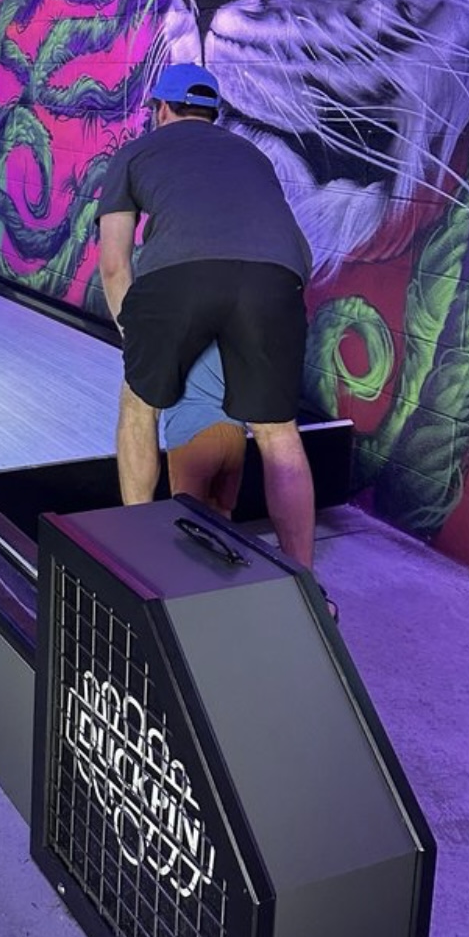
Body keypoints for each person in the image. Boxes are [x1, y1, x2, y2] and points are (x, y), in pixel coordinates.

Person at [97, 62, 318, 573]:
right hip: (276, 279)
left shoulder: (135, 152)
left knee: (139, 406)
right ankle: (305, 582)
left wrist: (135, 334)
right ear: (212, 113)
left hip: (178, 277)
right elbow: (298, 255)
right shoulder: (252, 154)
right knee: (278, 433)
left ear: (161, 109)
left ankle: (140, 557)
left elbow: (113, 264)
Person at [163, 342, 246, 519]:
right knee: (223, 515)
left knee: (188, 518)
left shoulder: (175, 331)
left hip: (192, 433)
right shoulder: (233, 333)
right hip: (235, 431)